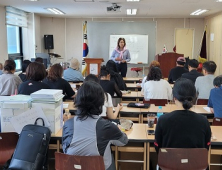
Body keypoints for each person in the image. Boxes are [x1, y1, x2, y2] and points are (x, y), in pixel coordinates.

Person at [62, 81, 128, 170]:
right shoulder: (107, 126)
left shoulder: (68, 124)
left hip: (73, 167)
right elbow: (123, 141)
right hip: (99, 167)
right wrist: (117, 129)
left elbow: (65, 149)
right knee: (110, 155)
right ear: (100, 102)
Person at [155, 78, 211, 155]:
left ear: (174, 98)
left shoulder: (163, 120)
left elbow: (158, 146)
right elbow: (206, 147)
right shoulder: (203, 121)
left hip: (169, 164)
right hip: (196, 165)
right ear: (194, 97)